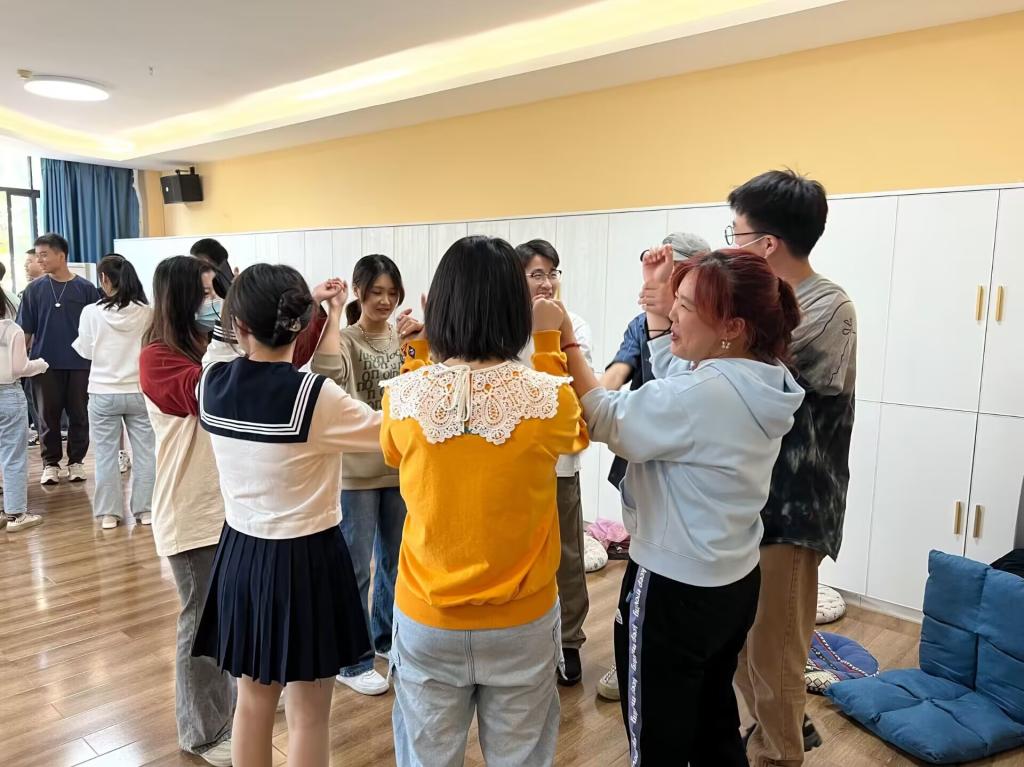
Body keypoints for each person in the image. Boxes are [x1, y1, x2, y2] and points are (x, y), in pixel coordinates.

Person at [560, 247, 804, 765]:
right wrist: (657, 308)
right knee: (714, 718)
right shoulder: (763, 378)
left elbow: (604, 417)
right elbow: (680, 376)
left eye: (686, 305)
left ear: (732, 327)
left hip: (672, 588)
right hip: (733, 581)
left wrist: (565, 339)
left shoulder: (702, 394)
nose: (673, 312)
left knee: (658, 739)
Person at [382, 235, 588, 767]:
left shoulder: (403, 397)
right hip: (522, 621)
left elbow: (392, 450)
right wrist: (549, 340)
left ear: (440, 306)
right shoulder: (547, 398)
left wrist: (417, 352)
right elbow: (575, 434)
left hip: (427, 615)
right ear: (516, 307)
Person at [192, 264, 383, 767]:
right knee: (309, 714)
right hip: (307, 559)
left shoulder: (210, 383)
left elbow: (220, 348)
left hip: (240, 556)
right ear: (300, 322)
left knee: (252, 704)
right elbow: (388, 432)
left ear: (238, 326)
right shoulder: (315, 395)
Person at [727, 170, 857, 767]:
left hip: (795, 506)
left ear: (766, 243)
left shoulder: (829, 308)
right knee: (743, 641)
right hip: (750, 499)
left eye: (736, 234)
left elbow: (757, 375)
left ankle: (779, 753)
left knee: (776, 649)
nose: (731, 245)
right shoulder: (757, 305)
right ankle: (773, 731)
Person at [596, 230, 711, 701]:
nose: (665, 284)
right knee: (643, 561)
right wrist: (589, 402)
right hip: (642, 462)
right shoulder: (642, 326)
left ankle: (663, 663)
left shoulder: (709, 332)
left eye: (676, 275)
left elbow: (684, 388)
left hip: (689, 476)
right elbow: (616, 375)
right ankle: (632, 659)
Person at [139, 256, 236, 767]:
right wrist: (227, 340)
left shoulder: (207, 345)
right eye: (204, 293)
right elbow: (206, 395)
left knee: (224, 620)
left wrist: (318, 312)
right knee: (201, 624)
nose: (213, 301)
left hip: (228, 508)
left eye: (216, 291)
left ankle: (225, 717)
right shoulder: (158, 356)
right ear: (179, 298)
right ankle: (203, 733)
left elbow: (274, 365)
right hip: (190, 511)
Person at [311, 254, 408, 696]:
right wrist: (333, 314)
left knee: (395, 561)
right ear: (359, 292)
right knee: (355, 567)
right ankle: (351, 660)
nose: (384, 301)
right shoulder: (346, 339)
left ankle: (384, 639)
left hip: (399, 465)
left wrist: (422, 342)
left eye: (391, 293)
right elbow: (327, 376)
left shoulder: (404, 337)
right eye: (376, 292)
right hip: (355, 470)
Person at [515, 238, 594, 686]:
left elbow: (578, 388)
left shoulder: (573, 323)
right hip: (514, 463)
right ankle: (526, 637)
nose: (546, 283)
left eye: (551, 273)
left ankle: (568, 640)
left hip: (560, 462)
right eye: (536, 274)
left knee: (567, 555)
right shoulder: (503, 326)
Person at [72, 254, 154, 530]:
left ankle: (109, 514)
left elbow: (85, 351)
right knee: (146, 453)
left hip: (102, 391)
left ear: (104, 278)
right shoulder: (147, 312)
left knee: (106, 455)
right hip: (139, 391)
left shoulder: (91, 312)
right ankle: (146, 510)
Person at [16, 233, 100, 485]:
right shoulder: (34, 290)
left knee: (79, 415)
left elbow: (97, 328)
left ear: (61, 256)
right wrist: (18, 364)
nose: (39, 260)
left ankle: (76, 462)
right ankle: (50, 464)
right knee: (47, 417)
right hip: (43, 365)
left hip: (80, 364)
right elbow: (25, 331)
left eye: (44, 255)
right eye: (37, 255)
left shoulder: (86, 289)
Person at [1, 279, 48, 532]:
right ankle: (16, 514)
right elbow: (20, 368)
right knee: (13, 456)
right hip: (9, 394)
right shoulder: (13, 330)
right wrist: (40, 364)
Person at [20, 249, 44, 444]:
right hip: (31, 356)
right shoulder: (28, 291)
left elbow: (25, 330)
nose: (25, 266)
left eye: (29, 261)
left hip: (40, 355)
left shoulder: (35, 291)